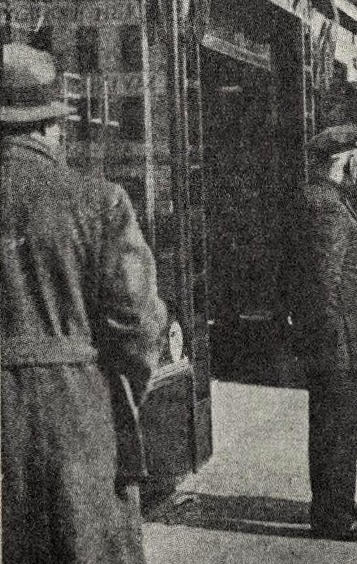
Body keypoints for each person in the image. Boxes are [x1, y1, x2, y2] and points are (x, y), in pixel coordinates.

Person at [1, 43, 166, 563]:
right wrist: (121, 392)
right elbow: (138, 326)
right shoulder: (98, 201)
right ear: (53, 125)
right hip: (79, 417)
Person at [290, 118, 357, 541]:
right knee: (336, 429)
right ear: (344, 160)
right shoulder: (326, 205)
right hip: (340, 342)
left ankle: (340, 501)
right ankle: (332, 517)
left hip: (345, 339)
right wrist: (331, 340)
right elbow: (323, 280)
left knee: (341, 427)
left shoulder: (328, 199)